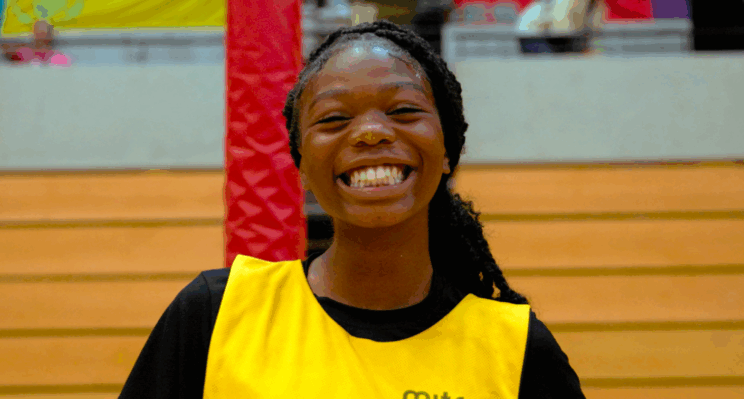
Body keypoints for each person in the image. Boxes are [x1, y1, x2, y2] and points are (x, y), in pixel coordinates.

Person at [120, 20, 585, 399]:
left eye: (403, 110)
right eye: (334, 119)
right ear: (302, 165)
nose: (370, 133)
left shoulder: (516, 350)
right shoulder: (214, 313)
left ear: (447, 149)